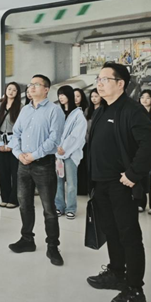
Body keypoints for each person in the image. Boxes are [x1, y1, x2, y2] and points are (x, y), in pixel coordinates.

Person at [86, 62, 151, 302]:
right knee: (111, 231)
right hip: (101, 184)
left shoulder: (132, 110)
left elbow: (150, 145)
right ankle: (117, 273)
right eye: (98, 79)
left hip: (121, 185)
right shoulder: (101, 109)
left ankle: (135, 289)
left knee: (129, 236)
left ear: (120, 84)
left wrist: (133, 174)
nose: (99, 83)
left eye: (105, 79)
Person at [7, 74, 65, 267]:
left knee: (49, 209)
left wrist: (34, 155)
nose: (31, 87)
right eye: (30, 84)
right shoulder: (25, 110)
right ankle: (27, 240)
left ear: (46, 89)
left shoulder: (54, 111)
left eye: (36, 85)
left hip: (43, 164)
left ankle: (52, 246)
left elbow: (54, 139)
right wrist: (18, 154)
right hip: (23, 163)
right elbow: (16, 134)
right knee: (24, 204)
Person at [55, 85, 87, 220]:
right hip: (58, 153)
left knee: (71, 183)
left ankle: (71, 208)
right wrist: (57, 147)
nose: (61, 97)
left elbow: (77, 136)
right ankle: (59, 206)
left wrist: (64, 148)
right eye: (59, 95)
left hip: (71, 154)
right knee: (58, 181)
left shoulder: (78, 115)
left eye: (63, 94)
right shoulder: (58, 112)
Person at [0, 82, 22, 208]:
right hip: (1, 140)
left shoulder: (20, 107)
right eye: (9, 89)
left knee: (15, 172)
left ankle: (14, 199)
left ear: (17, 93)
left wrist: (12, 144)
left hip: (14, 142)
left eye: (14, 90)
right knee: (2, 172)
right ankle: (4, 197)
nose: (11, 92)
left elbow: (20, 128)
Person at [139, 89, 151, 214]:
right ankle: (140, 203)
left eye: (148, 97)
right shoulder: (135, 114)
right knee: (140, 176)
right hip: (139, 149)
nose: (144, 100)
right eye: (142, 97)